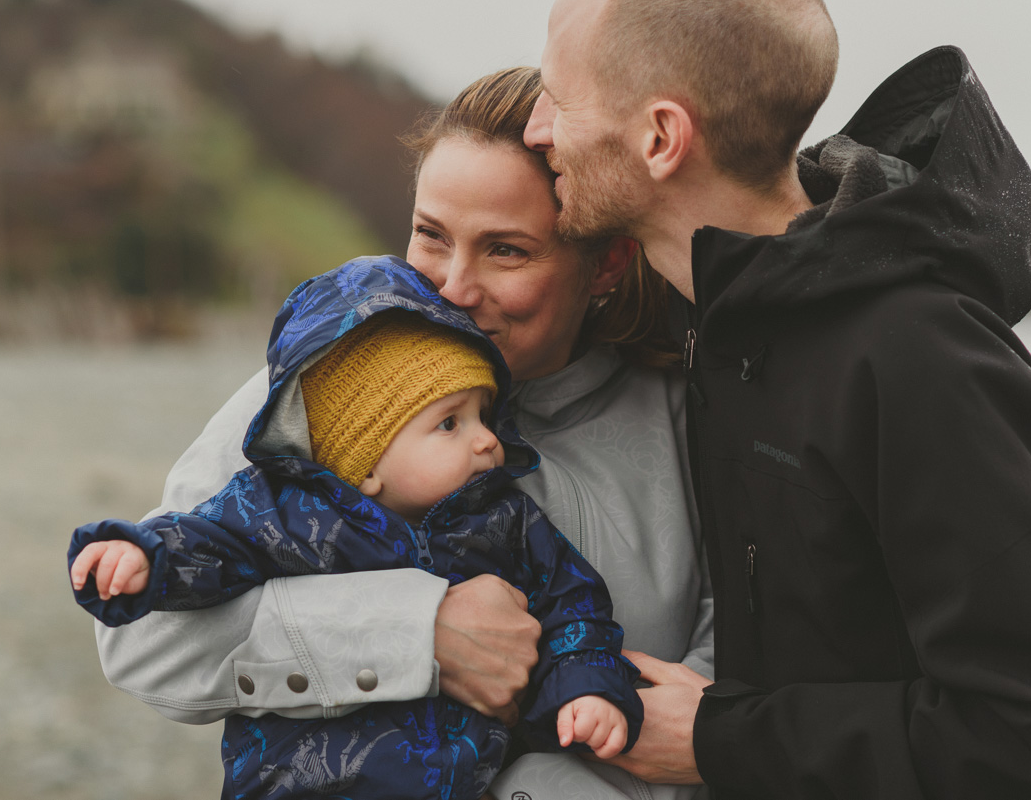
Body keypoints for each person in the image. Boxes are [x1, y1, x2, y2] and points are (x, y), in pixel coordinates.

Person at [521, 0, 1031, 798]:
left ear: (662, 138)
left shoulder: (923, 358)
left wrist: (722, 741)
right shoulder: (702, 312)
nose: (536, 125)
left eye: (556, 94)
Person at [93, 67, 713, 800]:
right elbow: (141, 642)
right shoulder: (323, 387)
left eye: (506, 249)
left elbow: (754, 640)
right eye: (431, 236)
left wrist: (688, 740)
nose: (452, 287)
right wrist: (417, 634)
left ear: (606, 262)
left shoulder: (693, 412)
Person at [68, 262, 643, 799]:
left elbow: (575, 604)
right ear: (366, 465)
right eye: (450, 423)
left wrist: (586, 688)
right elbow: (210, 543)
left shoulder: (506, 520)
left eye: (483, 416)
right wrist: (144, 557)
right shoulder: (292, 512)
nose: (487, 439)